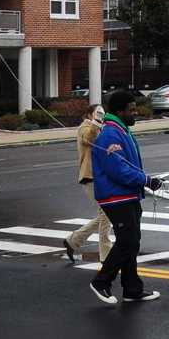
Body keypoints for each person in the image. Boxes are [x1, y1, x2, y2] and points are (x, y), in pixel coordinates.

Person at [89, 90, 163, 306]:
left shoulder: (122, 131)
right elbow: (118, 170)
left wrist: (144, 181)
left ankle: (132, 289)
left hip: (127, 196)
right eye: (131, 110)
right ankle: (101, 281)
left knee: (132, 242)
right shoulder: (110, 134)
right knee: (127, 241)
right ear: (120, 111)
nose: (136, 112)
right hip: (115, 197)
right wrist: (145, 180)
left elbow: (125, 166)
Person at [63, 99, 113, 266]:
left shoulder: (100, 128)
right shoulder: (85, 127)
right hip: (90, 176)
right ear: (90, 114)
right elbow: (87, 138)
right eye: (98, 113)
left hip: (100, 176)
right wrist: (96, 123)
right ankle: (105, 254)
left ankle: (73, 240)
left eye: (102, 114)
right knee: (106, 214)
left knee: (105, 214)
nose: (101, 116)